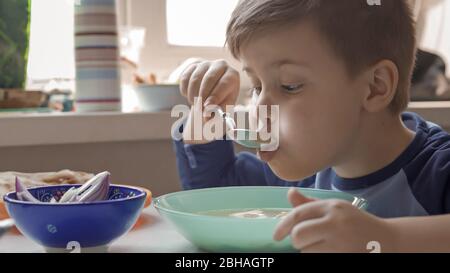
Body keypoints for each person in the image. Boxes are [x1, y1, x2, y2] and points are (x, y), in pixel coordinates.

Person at [172, 0, 450, 252]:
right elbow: (216, 191)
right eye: (256, 87)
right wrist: (206, 108)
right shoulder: (305, 172)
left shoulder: (439, 171)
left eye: (290, 86)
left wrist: (389, 238)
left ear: (375, 87)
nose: (258, 110)